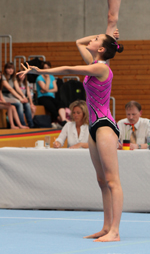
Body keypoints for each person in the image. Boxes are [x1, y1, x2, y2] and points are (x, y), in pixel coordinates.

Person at [17, 31, 124, 242]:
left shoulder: (100, 67)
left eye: (95, 41)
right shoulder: (95, 62)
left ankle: (116, 231)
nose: (91, 41)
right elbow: (78, 42)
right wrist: (103, 34)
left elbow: (68, 69)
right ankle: (106, 227)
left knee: (113, 181)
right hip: (94, 125)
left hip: (104, 125)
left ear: (102, 49)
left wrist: (39, 71)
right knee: (102, 180)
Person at [36, 60, 68, 126]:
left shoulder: (52, 77)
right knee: (52, 106)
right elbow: (46, 88)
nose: (46, 69)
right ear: (42, 69)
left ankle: (64, 120)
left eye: (48, 68)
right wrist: (47, 79)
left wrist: (47, 90)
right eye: (45, 68)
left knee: (60, 103)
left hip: (51, 97)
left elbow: (55, 89)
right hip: (42, 97)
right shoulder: (39, 78)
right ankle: (62, 121)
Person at [2, 62, 33, 128]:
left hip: (10, 96)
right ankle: (22, 124)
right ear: (5, 69)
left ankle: (31, 124)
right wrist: (20, 98)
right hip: (3, 96)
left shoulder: (13, 77)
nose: (11, 70)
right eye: (9, 68)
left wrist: (23, 97)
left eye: (12, 69)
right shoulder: (3, 77)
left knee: (26, 104)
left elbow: (17, 88)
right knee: (19, 103)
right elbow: (10, 89)